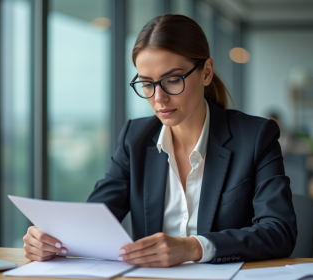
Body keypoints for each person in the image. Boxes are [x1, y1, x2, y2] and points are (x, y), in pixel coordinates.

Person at [22, 14, 297, 267]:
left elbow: (278, 230)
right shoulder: (136, 139)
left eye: (173, 80)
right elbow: (96, 221)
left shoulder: (256, 136)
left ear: (206, 72)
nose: (158, 98)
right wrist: (53, 239)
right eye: (147, 83)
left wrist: (193, 248)